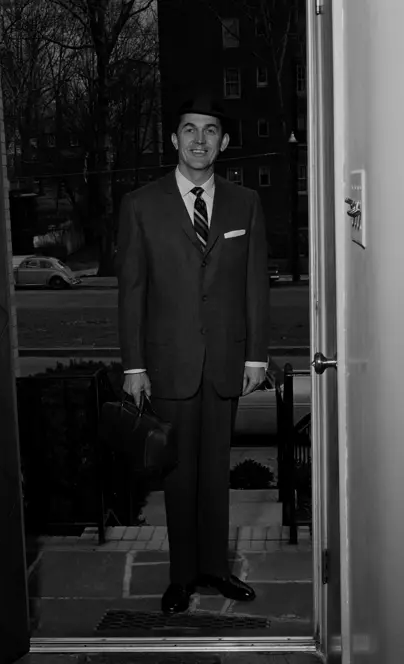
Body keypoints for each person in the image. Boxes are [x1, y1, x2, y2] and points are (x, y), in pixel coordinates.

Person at [115, 95, 270, 614]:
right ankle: (181, 577)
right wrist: (134, 366)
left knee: (214, 472)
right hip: (167, 364)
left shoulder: (244, 203)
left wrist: (257, 358)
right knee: (177, 477)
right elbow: (132, 291)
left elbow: (254, 289)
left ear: (224, 142)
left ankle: (215, 569)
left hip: (225, 362)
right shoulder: (141, 205)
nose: (199, 140)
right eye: (189, 130)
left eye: (210, 131)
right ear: (174, 139)